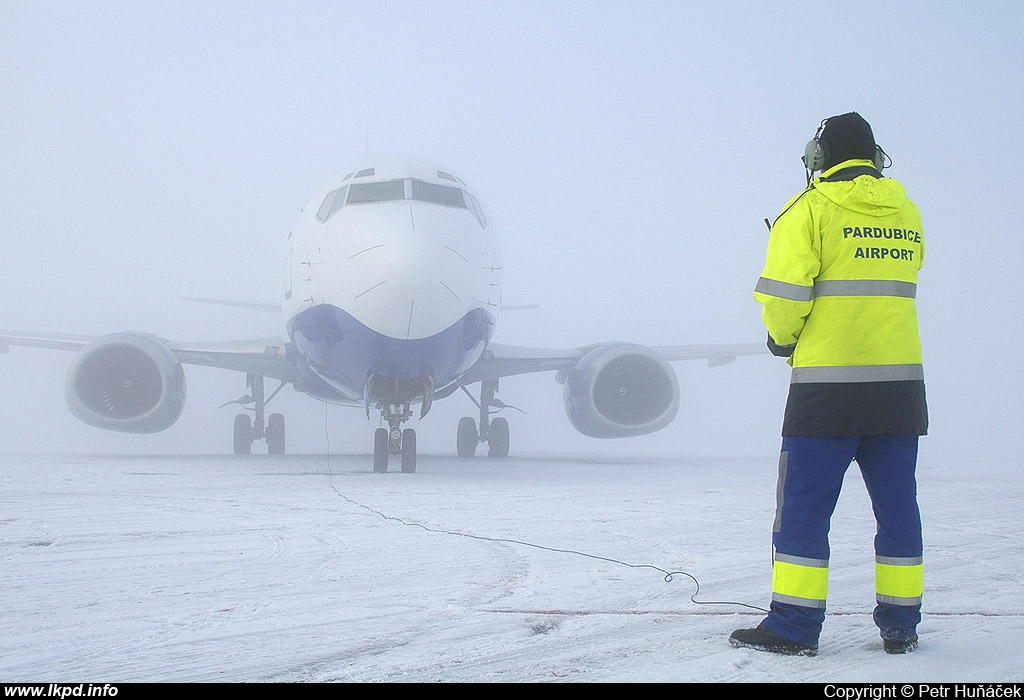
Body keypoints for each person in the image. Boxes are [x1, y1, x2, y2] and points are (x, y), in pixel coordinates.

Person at [730, 112, 927, 656]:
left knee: (805, 510)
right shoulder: (905, 211)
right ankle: (901, 625)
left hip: (827, 390)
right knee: (897, 508)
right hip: (898, 390)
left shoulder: (809, 209)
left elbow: (783, 298)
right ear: (875, 155)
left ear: (819, 157)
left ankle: (793, 627)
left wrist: (783, 339)